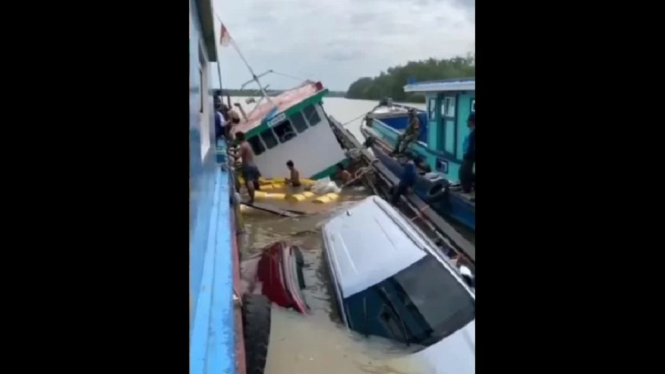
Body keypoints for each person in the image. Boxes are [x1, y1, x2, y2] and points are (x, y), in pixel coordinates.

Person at [236, 131, 261, 204]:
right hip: (253, 165)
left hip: (247, 166)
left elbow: (237, 156)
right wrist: (234, 150)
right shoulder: (247, 144)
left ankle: (252, 199)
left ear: (238, 138)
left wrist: (229, 153)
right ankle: (253, 198)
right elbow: (243, 151)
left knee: (249, 182)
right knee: (251, 181)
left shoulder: (242, 146)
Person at [459, 113, 475, 193]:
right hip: (469, 156)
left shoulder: (473, 133)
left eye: (467, 121)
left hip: (470, 157)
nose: (466, 123)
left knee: (464, 173)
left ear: (471, 122)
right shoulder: (471, 132)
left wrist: (468, 155)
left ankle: (467, 190)